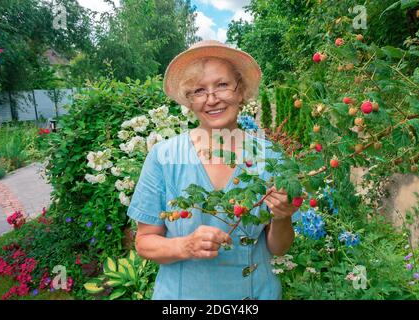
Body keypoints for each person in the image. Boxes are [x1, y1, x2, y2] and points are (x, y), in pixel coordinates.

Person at [127, 40, 297, 300]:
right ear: (189, 101)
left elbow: (279, 248)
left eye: (222, 85)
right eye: (198, 90)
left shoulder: (269, 157)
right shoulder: (164, 157)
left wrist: (282, 216)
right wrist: (185, 245)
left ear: (240, 91)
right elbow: (145, 242)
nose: (212, 99)